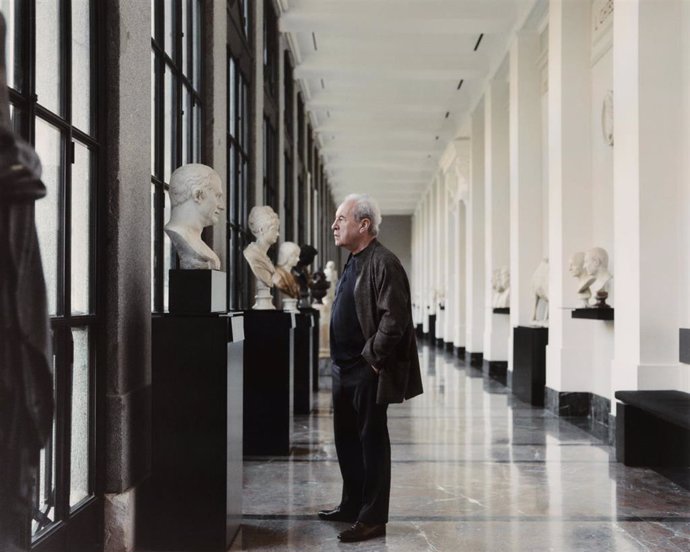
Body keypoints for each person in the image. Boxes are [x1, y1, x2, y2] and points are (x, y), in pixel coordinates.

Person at [318, 194, 423, 543]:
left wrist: (372, 358)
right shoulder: (353, 260)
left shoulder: (384, 262)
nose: (334, 225)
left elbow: (396, 319)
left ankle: (373, 517)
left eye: (341, 219)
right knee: (346, 440)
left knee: (371, 442)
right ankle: (352, 504)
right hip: (343, 368)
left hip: (366, 368)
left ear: (364, 225)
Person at [164, 164, 224, 270]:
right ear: (198, 195)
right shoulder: (183, 237)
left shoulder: (199, 245)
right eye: (217, 196)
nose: (222, 206)